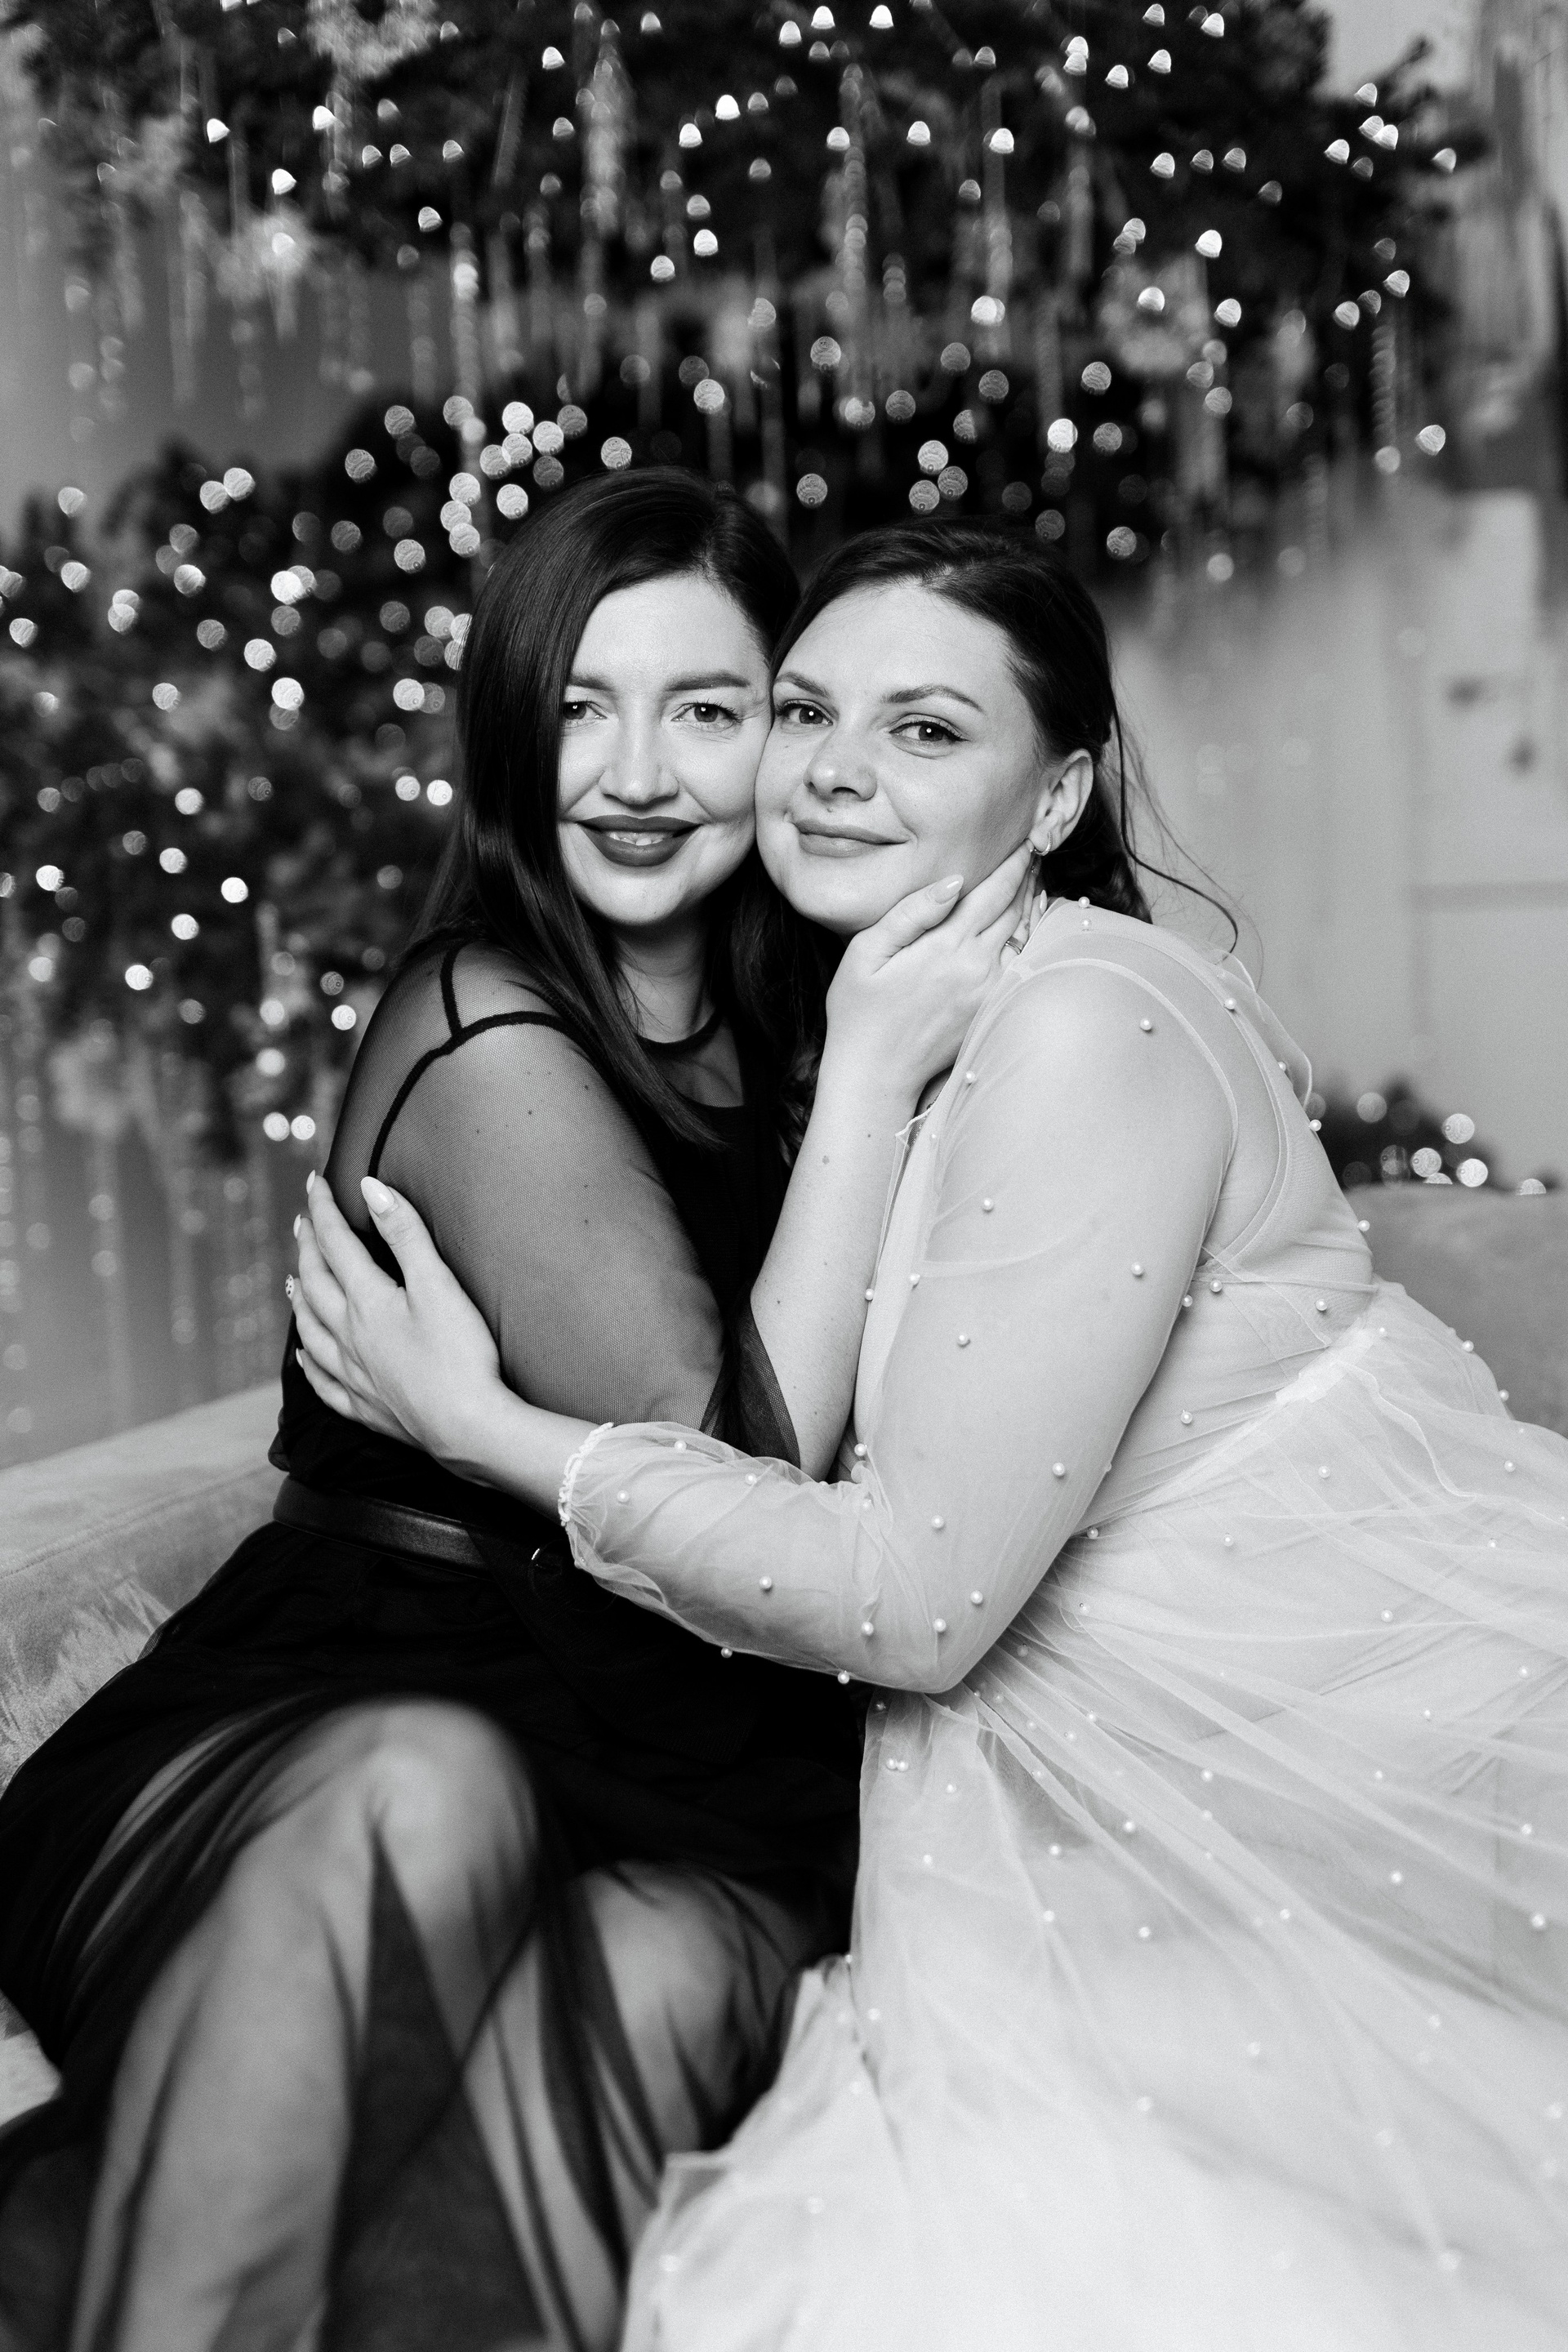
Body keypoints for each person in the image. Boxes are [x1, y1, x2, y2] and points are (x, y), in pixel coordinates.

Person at [296, 519, 1568, 2351]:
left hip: (1315, 1778)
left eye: (924, 730)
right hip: (1106, 1771)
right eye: (807, 709)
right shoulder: (877, 1014)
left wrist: (479, 1426)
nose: (833, 769)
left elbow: (911, 1602)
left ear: (1056, 798)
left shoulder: (1079, 1024)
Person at [0, 475, 1025, 2352]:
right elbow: (727, 1477)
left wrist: (866, 1054)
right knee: (429, 1788)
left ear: (787, 732)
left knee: (659, 1972)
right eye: (580, 706)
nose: (633, 773)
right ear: (507, 729)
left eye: (705, 708)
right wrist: (878, 1075)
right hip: (342, 1711)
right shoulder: (480, 1016)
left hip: (697, 1751)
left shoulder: (825, 1011)